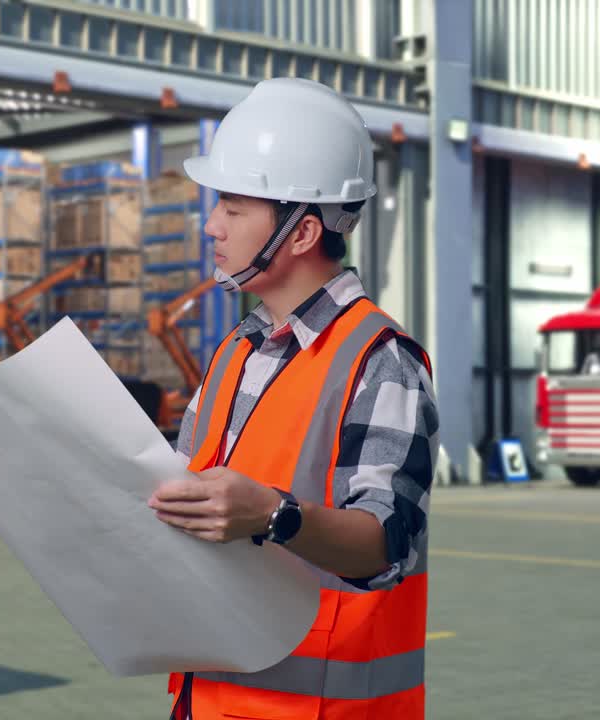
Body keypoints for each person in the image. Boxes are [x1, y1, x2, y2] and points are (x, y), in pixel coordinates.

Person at [146, 77, 440, 719]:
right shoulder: (235, 353)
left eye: (233, 205)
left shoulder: (380, 361)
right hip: (209, 702)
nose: (211, 225)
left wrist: (275, 514)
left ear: (302, 233)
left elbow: (386, 541)